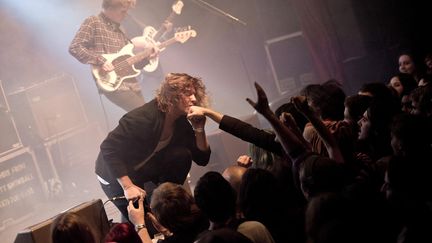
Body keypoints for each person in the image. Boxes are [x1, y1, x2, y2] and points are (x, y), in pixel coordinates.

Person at [95, 72, 211, 220]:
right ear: (171, 97)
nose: (194, 99)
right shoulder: (143, 118)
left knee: (182, 155)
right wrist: (128, 186)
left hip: (142, 171)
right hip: (114, 175)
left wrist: (199, 128)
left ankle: (165, 200)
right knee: (146, 224)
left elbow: (202, 159)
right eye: (187, 94)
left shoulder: (180, 122)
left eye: (194, 94)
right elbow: (108, 148)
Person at [69, 0, 171, 111]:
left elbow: (132, 64)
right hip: (112, 82)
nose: (125, 14)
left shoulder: (120, 30)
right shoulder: (93, 22)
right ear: (110, 7)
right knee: (145, 115)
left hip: (131, 82)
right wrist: (101, 60)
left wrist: (147, 59)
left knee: (147, 118)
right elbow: (75, 47)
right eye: (123, 11)